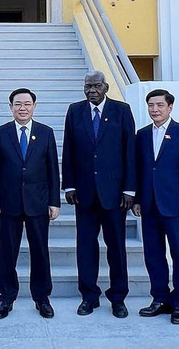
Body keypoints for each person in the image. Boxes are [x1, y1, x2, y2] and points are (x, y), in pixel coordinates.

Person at [61, 70, 136, 318]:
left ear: (106, 87)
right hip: (84, 194)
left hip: (115, 194)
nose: (91, 90)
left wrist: (129, 189)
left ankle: (118, 298)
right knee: (86, 247)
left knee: (116, 247)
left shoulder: (121, 110)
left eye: (96, 86)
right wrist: (69, 185)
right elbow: (68, 149)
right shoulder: (74, 111)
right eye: (87, 86)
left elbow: (129, 151)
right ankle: (89, 296)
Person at [0, 88, 60, 319]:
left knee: (40, 252)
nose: (23, 108)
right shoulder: (1, 133)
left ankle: (42, 298)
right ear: (10, 107)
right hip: (8, 203)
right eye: (18, 104)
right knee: (7, 252)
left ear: (34, 106)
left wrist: (54, 202)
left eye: (27, 104)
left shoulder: (46, 133)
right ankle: (6, 298)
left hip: (38, 203)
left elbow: (53, 170)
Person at [133, 88, 179, 325]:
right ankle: (159, 298)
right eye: (151, 105)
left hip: (176, 206)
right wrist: (138, 199)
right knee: (153, 254)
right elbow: (139, 170)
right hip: (149, 206)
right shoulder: (141, 135)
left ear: (170, 107)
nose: (154, 109)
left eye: (159, 105)